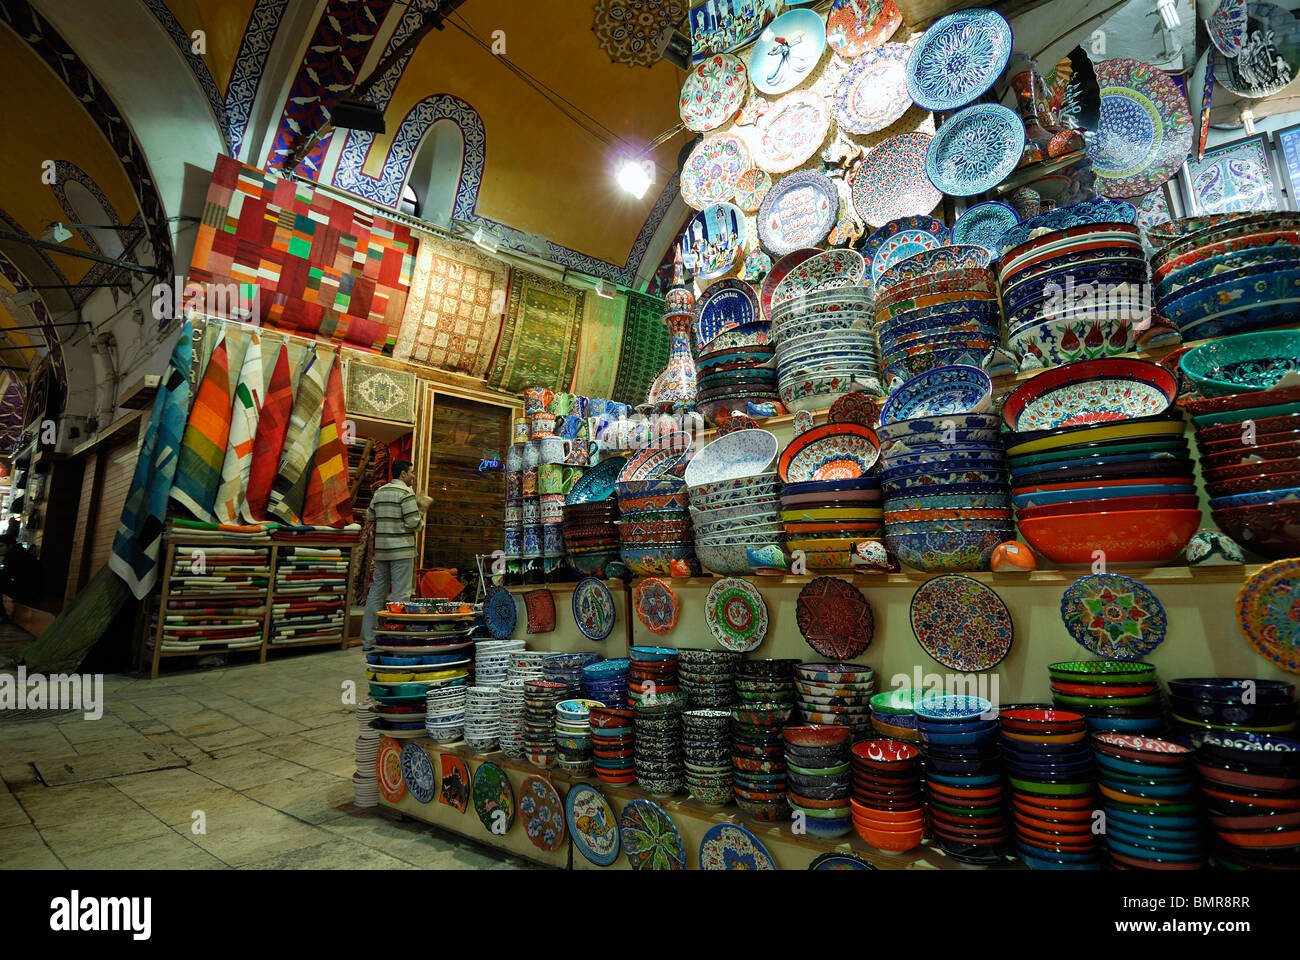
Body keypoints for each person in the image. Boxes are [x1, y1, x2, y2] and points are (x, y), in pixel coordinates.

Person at [361, 460, 433, 649]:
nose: (414, 476)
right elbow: (413, 523)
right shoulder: (406, 493)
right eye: (412, 472)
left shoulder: (380, 492)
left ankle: (368, 640)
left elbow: (370, 516)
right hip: (401, 550)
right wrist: (422, 511)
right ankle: (397, 639)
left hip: (383, 551)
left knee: (376, 593)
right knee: (401, 594)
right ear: (402, 474)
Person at [0, 531, 44, 620]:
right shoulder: (19, 553)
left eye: (1, 546)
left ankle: (2, 615)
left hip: (30, 592)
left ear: (10, 546)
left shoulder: (14, 557)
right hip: (33, 590)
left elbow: (6, 576)